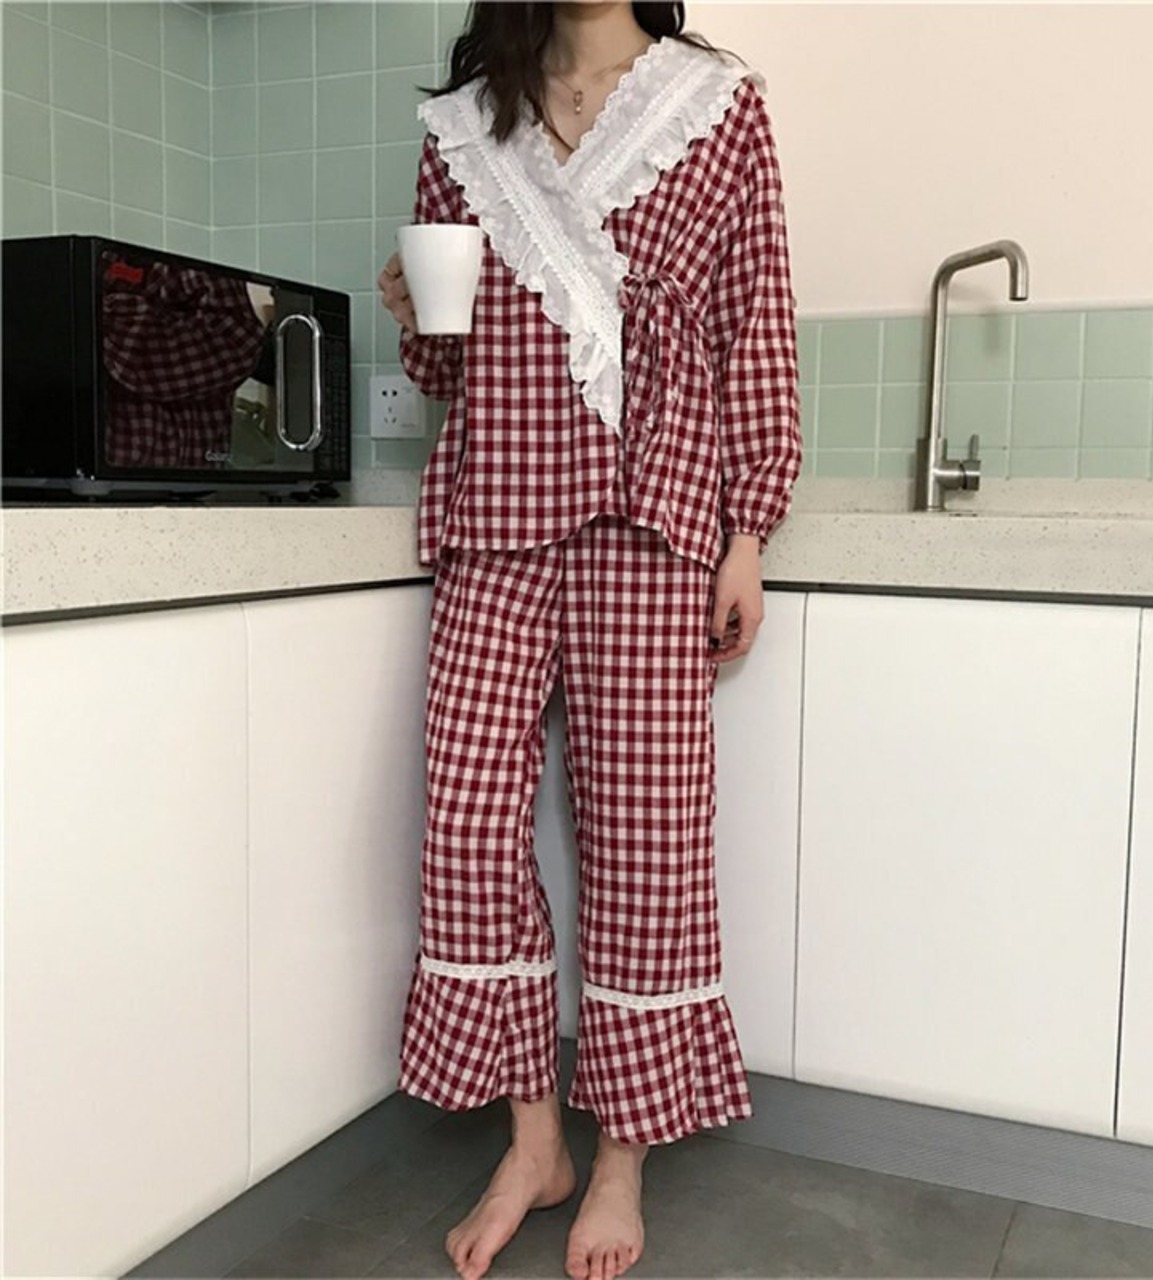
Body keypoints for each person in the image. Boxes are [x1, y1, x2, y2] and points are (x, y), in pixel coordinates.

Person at [376, 3, 801, 1277]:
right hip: (497, 511)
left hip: (650, 516)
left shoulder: (714, 106)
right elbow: (446, 365)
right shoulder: (463, 126)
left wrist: (745, 529)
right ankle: (533, 1141)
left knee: (647, 836)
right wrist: (415, 313)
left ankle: (619, 1157)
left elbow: (752, 328)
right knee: (465, 825)